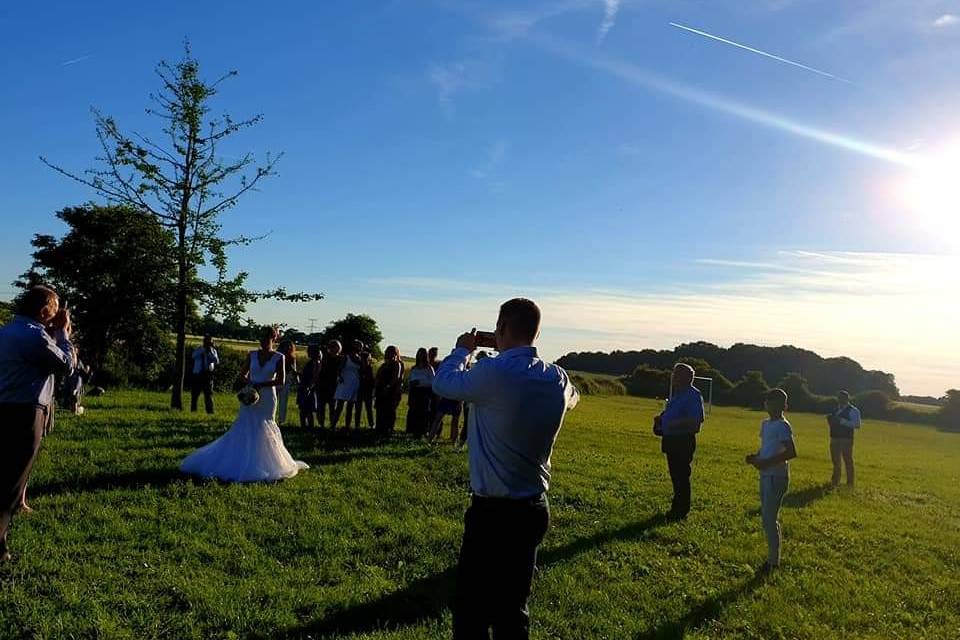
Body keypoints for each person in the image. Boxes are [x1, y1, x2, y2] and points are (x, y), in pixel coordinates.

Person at [432, 298, 580, 640]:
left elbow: (444, 383)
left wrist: (461, 350)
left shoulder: (493, 372)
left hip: (493, 513)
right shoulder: (556, 378)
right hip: (533, 509)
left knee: (472, 609)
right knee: (513, 608)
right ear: (536, 332)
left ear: (500, 329)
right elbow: (573, 397)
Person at [0, 286, 75, 562]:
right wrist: (64, 333)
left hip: (4, 404)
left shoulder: (6, 331)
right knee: (11, 479)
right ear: (44, 311)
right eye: (54, 309)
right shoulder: (37, 338)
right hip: (25, 411)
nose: (57, 314)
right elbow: (66, 365)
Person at [180, 326, 308, 483]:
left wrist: (261, 384)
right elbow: (243, 374)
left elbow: (280, 380)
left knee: (264, 426)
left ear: (273, 339)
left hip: (267, 397)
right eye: (261, 338)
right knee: (245, 424)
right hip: (251, 394)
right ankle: (240, 459)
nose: (263, 342)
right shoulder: (252, 355)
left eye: (266, 339)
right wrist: (251, 383)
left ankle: (266, 463)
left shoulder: (279, 357)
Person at [745, 388, 797, 574]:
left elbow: (791, 452)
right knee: (768, 517)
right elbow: (766, 448)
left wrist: (766, 462)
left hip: (777, 476)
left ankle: (773, 562)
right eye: (768, 401)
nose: (770, 405)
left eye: (775, 401)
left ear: (783, 405)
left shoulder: (783, 426)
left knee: (768, 517)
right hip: (765, 474)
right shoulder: (765, 424)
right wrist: (756, 457)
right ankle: (773, 558)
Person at [653, 363, 705, 520]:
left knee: (681, 476)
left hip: (682, 441)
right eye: (673, 373)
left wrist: (671, 423)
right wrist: (661, 420)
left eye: (677, 374)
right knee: (675, 476)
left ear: (687, 378)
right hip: (671, 440)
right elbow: (671, 414)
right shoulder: (677, 394)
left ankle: (681, 511)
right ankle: (676, 507)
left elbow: (695, 423)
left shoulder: (693, 395)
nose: (673, 377)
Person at [827, 390, 861, 488]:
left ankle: (850, 483)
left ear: (847, 399)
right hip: (834, 437)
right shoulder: (835, 409)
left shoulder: (853, 410)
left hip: (846, 438)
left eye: (842, 398)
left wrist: (841, 421)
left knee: (847, 460)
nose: (840, 400)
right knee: (835, 460)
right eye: (839, 398)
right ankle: (835, 481)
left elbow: (857, 425)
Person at [332, 340, 363, 430]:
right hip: (345, 382)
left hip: (355, 383)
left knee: (350, 406)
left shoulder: (360, 358)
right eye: (358, 346)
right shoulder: (346, 357)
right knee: (340, 405)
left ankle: (347, 426)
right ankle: (333, 425)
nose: (360, 348)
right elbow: (339, 369)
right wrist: (340, 377)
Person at [374, 345, 405, 435]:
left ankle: (388, 429)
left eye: (392, 352)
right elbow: (378, 376)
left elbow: (396, 378)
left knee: (390, 411)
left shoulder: (397, 364)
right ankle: (379, 428)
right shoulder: (384, 365)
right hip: (381, 390)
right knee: (380, 410)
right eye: (388, 352)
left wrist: (388, 387)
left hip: (392, 391)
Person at [407, 348, 435, 437]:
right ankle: (412, 430)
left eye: (422, 354)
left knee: (423, 411)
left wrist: (420, 382)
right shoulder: (414, 368)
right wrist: (412, 383)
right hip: (414, 391)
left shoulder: (429, 368)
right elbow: (410, 379)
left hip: (424, 392)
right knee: (413, 411)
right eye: (419, 354)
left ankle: (422, 430)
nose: (420, 356)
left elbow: (432, 381)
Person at [190, 335, 220, 414]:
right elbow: (193, 356)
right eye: (207, 341)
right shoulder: (199, 349)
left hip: (208, 374)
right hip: (198, 374)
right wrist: (204, 349)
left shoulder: (213, 351)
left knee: (209, 394)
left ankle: (210, 411)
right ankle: (193, 410)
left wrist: (209, 352)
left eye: (210, 342)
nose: (209, 343)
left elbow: (216, 361)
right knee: (195, 394)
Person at [316, 340, 342, 428]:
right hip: (323, 383)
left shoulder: (340, 359)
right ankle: (321, 424)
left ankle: (332, 424)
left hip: (333, 384)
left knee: (332, 406)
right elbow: (320, 370)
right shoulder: (325, 358)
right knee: (321, 406)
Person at [297, 344, 322, 428]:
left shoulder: (315, 362)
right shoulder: (312, 362)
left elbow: (315, 376)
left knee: (307, 410)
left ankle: (307, 427)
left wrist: (309, 387)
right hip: (305, 386)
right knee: (304, 409)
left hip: (307, 387)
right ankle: (304, 426)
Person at [277, 339, 298, 426]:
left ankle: (281, 421)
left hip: (286, 381)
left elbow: (294, 370)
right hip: (277, 380)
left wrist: (296, 378)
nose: (288, 348)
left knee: (283, 402)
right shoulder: (277, 356)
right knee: (273, 400)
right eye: (286, 346)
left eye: (289, 346)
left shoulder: (292, 358)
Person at [357, 351, 376, 429]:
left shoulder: (370, 368)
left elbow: (372, 381)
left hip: (367, 391)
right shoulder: (359, 368)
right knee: (359, 409)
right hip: (360, 390)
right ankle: (357, 424)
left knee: (368, 409)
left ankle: (371, 424)